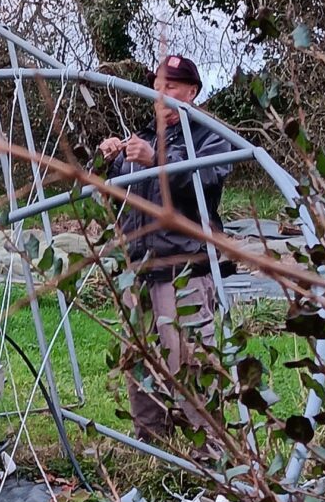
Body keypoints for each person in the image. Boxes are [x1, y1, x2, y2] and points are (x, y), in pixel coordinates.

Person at [99, 54, 232, 444]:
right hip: (140, 268)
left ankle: (210, 452)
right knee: (141, 362)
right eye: (157, 86)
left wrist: (154, 159)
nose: (162, 94)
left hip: (184, 270)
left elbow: (202, 180)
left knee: (191, 360)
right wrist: (113, 161)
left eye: (171, 87)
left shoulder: (210, 135)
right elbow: (125, 194)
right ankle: (152, 447)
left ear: (192, 92)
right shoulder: (146, 136)